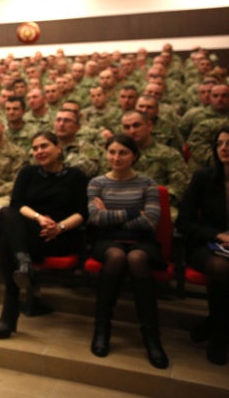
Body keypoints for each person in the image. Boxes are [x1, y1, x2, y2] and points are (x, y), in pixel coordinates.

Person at [0, 132, 87, 339]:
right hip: (33, 231)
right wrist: (39, 218)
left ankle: (9, 313)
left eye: (44, 146)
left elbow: (83, 213)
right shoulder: (28, 173)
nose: (39, 152)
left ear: (58, 148)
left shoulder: (76, 176)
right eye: (35, 148)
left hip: (61, 236)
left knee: (7, 244)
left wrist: (59, 227)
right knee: (6, 213)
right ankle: (24, 264)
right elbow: (17, 204)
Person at [86, 134, 169, 369]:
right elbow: (95, 218)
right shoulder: (97, 183)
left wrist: (111, 215)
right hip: (107, 241)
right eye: (112, 152)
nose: (116, 157)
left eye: (123, 152)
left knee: (136, 257)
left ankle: (151, 336)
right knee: (116, 255)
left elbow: (151, 221)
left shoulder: (147, 184)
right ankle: (102, 329)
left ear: (134, 156)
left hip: (143, 242)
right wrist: (134, 213)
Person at [176, 126, 229, 365]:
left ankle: (212, 323)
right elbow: (184, 221)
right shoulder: (203, 178)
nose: (224, 149)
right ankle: (220, 336)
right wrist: (219, 235)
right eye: (219, 144)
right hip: (206, 245)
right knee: (220, 267)